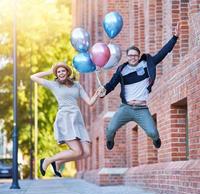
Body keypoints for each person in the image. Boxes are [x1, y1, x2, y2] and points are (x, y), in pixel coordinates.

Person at [99, 22, 181, 150]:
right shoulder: (122, 70)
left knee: (153, 133)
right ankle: (110, 139)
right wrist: (104, 90)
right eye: (130, 55)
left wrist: (174, 38)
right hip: (126, 108)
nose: (133, 58)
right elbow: (112, 84)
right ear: (127, 56)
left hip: (141, 109)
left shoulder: (147, 64)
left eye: (135, 55)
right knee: (110, 130)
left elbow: (162, 53)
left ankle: (156, 140)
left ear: (138, 56)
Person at [31, 62, 101, 176]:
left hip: (77, 119)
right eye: (58, 72)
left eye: (63, 71)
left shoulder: (77, 85)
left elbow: (89, 102)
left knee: (86, 152)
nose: (61, 73)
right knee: (77, 151)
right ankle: (48, 160)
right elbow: (33, 77)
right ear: (56, 74)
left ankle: (58, 162)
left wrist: (97, 94)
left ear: (67, 72)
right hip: (65, 119)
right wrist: (49, 72)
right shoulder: (54, 85)